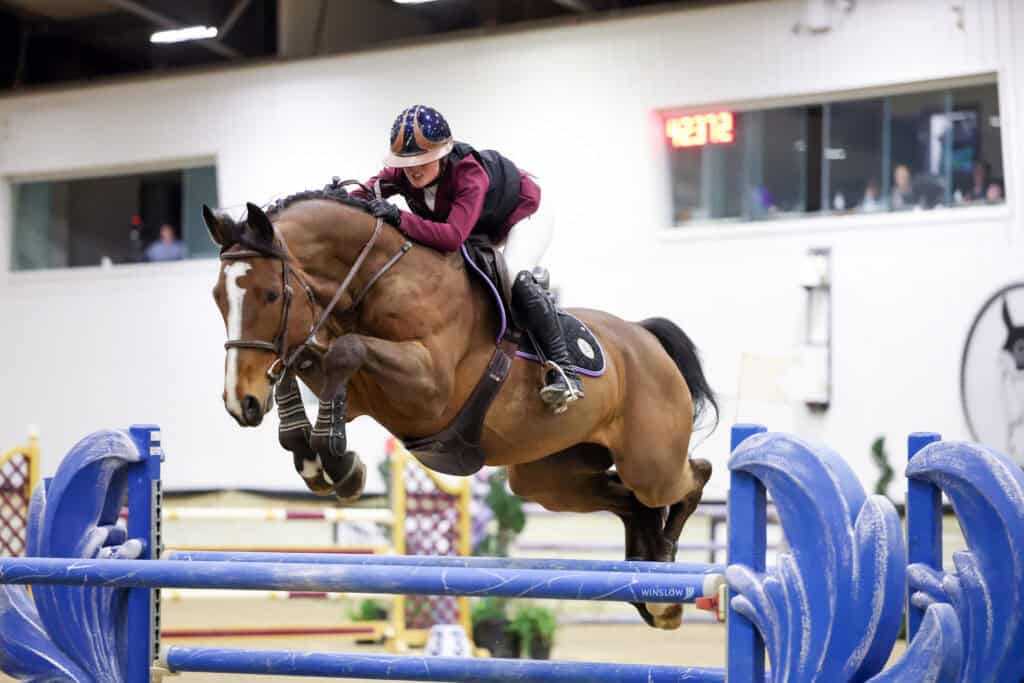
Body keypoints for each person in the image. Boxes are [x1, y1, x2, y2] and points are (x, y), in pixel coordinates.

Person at [353, 105, 583, 412]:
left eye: (422, 160)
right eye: (405, 163)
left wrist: (399, 217)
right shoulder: (400, 175)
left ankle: (565, 371)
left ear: (443, 153)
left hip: (525, 214)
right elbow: (364, 195)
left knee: (514, 274)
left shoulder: (469, 173)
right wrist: (336, 201)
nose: (414, 169)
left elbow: (451, 237)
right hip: (480, 226)